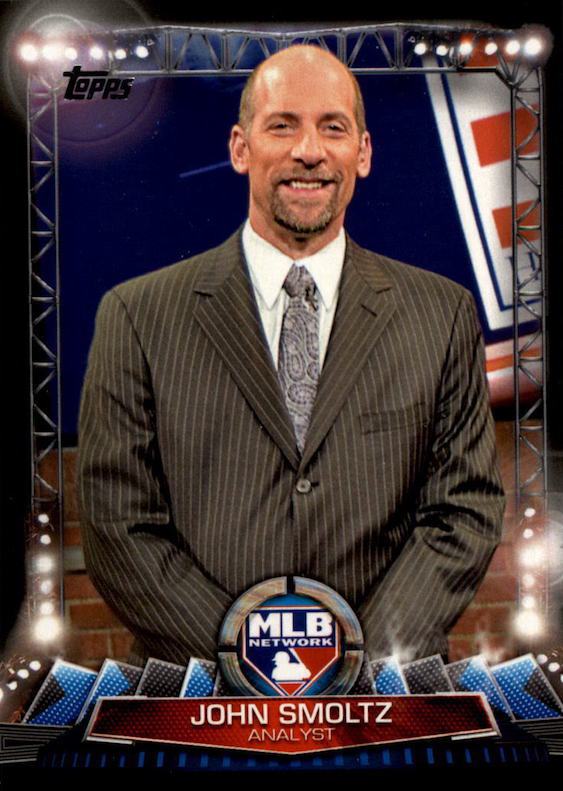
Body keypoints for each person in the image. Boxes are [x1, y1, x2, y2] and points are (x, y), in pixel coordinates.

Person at [78, 45, 505, 668]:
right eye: (282, 126)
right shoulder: (137, 316)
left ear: (362, 152)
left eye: (333, 128)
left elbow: (462, 511)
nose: (309, 150)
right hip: (203, 695)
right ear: (240, 148)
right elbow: (119, 526)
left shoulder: (441, 315)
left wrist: (350, 663)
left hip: (379, 694)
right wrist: (249, 658)